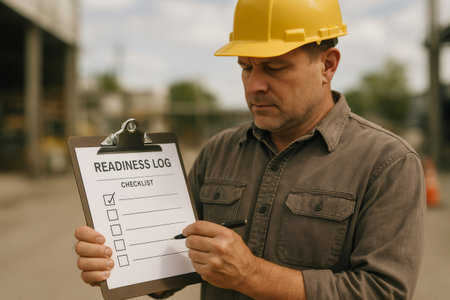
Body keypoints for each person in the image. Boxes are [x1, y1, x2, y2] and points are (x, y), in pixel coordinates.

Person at [74, 0, 426, 299]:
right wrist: (116, 261)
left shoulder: (388, 163)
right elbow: (171, 266)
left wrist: (252, 275)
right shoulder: (219, 151)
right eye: (246, 67)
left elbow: (383, 291)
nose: (255, 85)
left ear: (327, 65)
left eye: (274, 68)